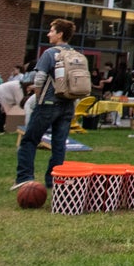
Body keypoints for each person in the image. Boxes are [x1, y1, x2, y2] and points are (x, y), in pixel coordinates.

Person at [14, 18, 81, 192]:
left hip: (49, 103)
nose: (48, 34)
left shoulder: (50, 53)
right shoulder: (76, 54)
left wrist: (38, 98)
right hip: (68, 104)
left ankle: (25, 177)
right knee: (59, 144)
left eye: (51, 31)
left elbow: (40, 79)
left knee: (29, 140)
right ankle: (54, 181)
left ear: (60, 34)